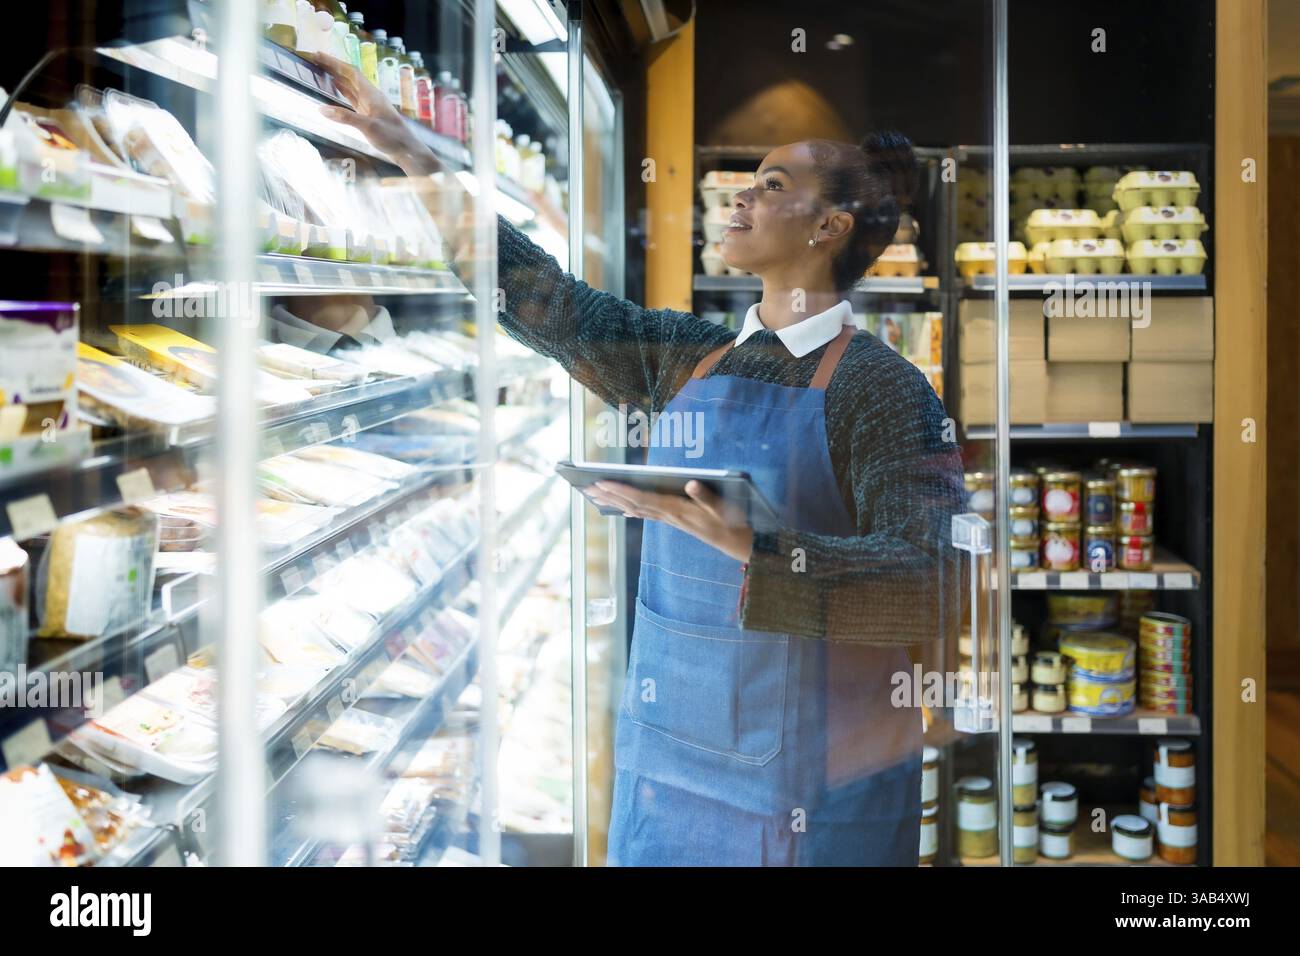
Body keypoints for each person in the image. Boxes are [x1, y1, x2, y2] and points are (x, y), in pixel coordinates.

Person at [313, 54, 964, 866]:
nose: (740, 195)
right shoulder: (690, 356)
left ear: (828, 227)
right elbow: (544, 301)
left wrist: (754, 547)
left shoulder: (885, 391)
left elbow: (934, 584)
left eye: (769, 185)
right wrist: (409, 151)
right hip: (669, 777)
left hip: (811, 797)